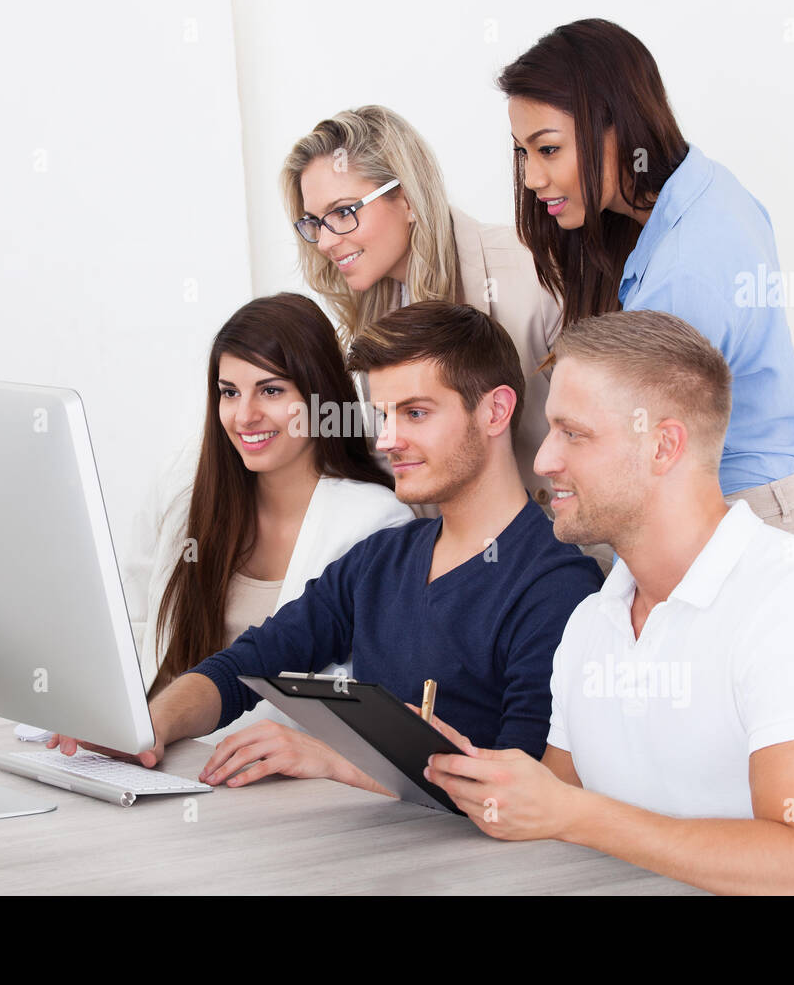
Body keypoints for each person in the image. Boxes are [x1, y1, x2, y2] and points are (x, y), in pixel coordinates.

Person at [424, 310, 794, 895]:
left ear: (664, 446)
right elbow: (554, 815)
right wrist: (487, 784)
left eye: (575, 433)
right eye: (551, 430)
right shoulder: (591, 622)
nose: (543, 460)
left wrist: (570, 813)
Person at [53, 303, 604, 792]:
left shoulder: (556, 584)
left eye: (414, 413)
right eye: (383, 416)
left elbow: (526, 785)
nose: (388, 441)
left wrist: (341, 759)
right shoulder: (382, 560)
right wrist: (145, 728)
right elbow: (245, 666)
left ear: (495, 411)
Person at [500, 19, 794, 561]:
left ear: (615, 127)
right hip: (746, 514)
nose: (531, 179)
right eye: (523, 151)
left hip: (740, 524)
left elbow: (640, 462)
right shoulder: (698, 188)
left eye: (548, 150)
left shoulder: (683, 275)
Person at [118, 293, 412, 740]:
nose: (245, 416)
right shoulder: (184, 490)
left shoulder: (375, 521)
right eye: (229, 393)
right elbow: (129, 621)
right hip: (153, 749)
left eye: (271, 390)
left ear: (319, 396)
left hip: (272, 779)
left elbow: (368, 700)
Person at [281, 105, 565, 516]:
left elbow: (597, 430)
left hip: (556, 549)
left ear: (408, 199)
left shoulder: (529, 269)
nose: (324, 242)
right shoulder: (374, 310)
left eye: (342, 212)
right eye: (313, 221)